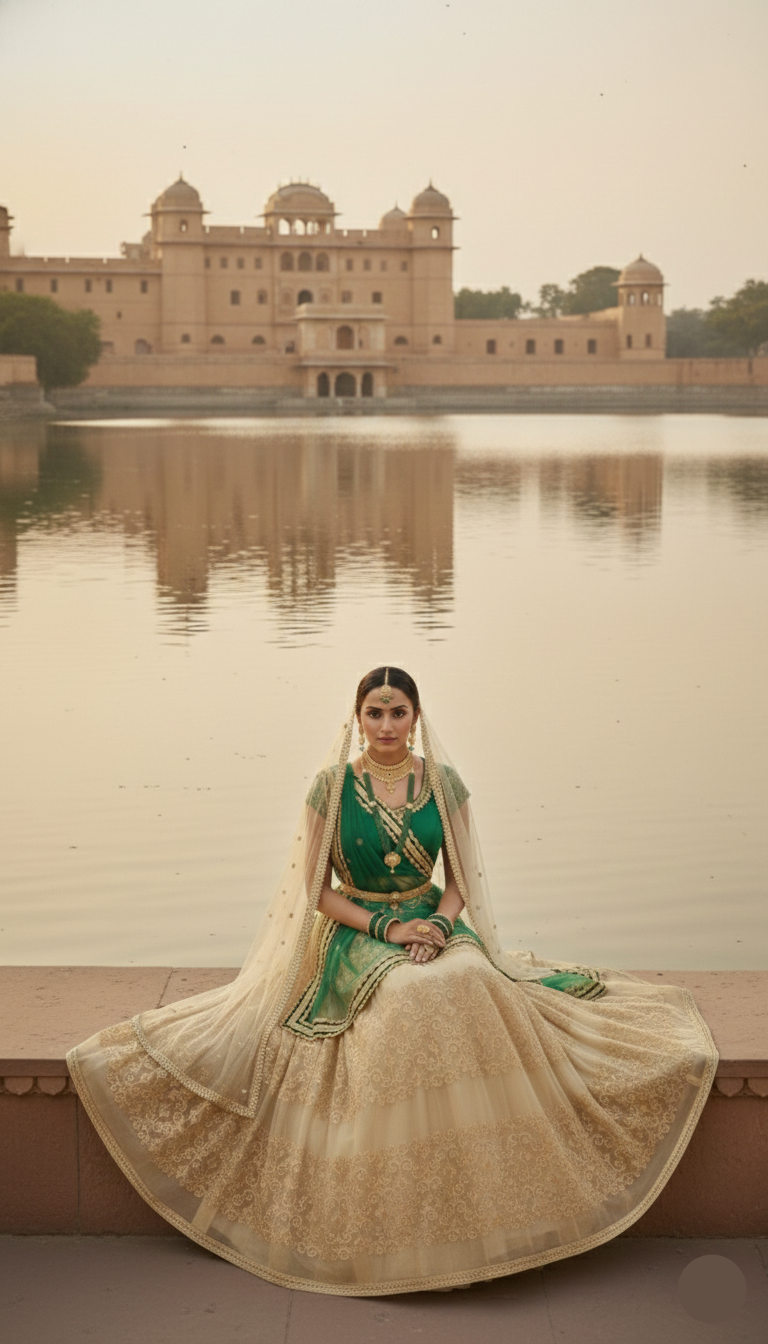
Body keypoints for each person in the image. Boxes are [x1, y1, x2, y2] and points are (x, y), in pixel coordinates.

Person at [67, 666, 718, 1296]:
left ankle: (485, 1197)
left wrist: (435, 925)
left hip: (431, 916)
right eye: (374, 712)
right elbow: (317, 892)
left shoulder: (444, 784)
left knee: (469, 982)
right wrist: (387, 930)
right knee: (409, 996)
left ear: (415, 717)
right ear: (358, 718)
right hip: (357, 929)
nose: (385, 723)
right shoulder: (331, 788)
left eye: (397, 711)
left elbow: (462, 882)